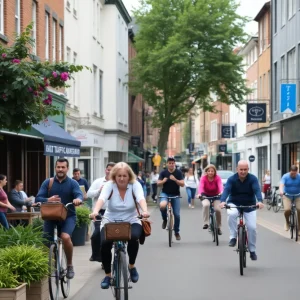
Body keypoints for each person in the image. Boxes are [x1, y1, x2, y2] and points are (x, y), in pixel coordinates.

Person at [89, 162, 150, 289]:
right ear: (114, 176)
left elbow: (140, 198)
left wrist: (144, 211)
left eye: (124, 176)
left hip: (131, 219)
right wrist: (95, 211)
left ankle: (131, 266)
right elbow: (102, 198)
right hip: (110, 220)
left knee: (134, 237)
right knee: (104, 244)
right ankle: (107, 275)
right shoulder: (109, 185)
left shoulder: (135, 185)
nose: (121, 179)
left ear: (129, 176)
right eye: (119, 176)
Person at [36, 158, 83, 279]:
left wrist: (78, 199)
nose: (60, 169)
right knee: (46, 241)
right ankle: (52, 263)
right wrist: (47, 200)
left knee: (65, 237)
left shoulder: (73, 183)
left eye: (63, 167)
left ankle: (69, 264)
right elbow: (38, 198)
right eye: (58, 167)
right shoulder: (48, 182)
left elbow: (78, 194)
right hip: (51, 216)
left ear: (67, 169)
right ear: (55, 168)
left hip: (68, 216)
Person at [220, 160, 264, 261]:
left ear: (248, 169)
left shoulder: (253, 179)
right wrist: (223, 201)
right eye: (241, 170)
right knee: (231, 214)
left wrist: (260, 201)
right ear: (237, 169)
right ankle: (233, 237)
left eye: (245, 170)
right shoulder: (232, 179)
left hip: (250, 205)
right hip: (234, 203)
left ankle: (252, 250)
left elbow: (257, 190)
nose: (243, 172)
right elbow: (226, 190)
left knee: (252, 228)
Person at [87, 162, 115, 262]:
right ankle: (96, 255)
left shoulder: (118, 182)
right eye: (108, 169)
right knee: (96, 235)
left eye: (112, 170)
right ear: (105, 170)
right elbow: (89, 194)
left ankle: (113, 254)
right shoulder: (98, 181)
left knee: (112, 235)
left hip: (113, 213)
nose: (109, 172)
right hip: (99, 213)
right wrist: (99, 190)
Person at [158, 156, 184, 241]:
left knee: (177, 214)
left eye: (173, 163)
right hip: (165, 193)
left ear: (174, 164)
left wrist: (175, 180)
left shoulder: (178, 172)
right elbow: (158, 183)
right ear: (167, 164)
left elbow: (182, 184)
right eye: (169, 163)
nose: (171, 165)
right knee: (162, 206)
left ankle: (176, 232)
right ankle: (165, 219)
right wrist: (163, 181)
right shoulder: (163, 173)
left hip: (175, 194)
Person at [197, 164, 223, 234]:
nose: (210, 172)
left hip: (216, 195)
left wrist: (221, 192)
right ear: (206, 172)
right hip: (205, 195)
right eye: (209, 171)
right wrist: (200, 194)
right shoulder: (203, 178)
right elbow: (201, 186)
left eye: (212, 171)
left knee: (218, 209)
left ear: (215, 172)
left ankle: (218, 227)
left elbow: (220, 185)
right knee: (206, 205)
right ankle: (206, 223)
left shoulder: (217, 178)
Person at [279, 165, 300, 233]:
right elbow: (281, 184)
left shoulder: (299, 176)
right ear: (289, 171)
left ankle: (299, 228)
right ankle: (287, 222)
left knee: (299, 209)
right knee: (287, 210)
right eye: (292, 173)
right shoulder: (285, 176)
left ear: (297, 172)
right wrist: (281, 191)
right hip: (287, 195)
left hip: (298, 196)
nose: (293, 175)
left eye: (295, 173)